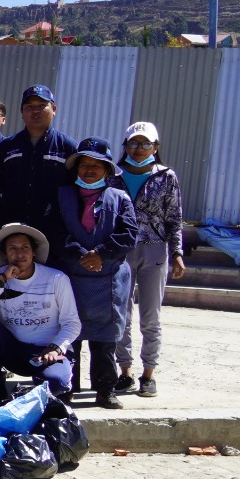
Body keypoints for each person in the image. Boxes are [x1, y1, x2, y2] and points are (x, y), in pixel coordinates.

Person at [52, 138, 138, 410]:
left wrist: (100, 253)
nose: (89, 170)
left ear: (107, 170)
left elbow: (129, 234)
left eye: (96, 165)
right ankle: (67, 389)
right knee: (70, 335)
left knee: (105, 340)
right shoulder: (62, 196)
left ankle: (105, 390)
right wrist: (80, 254)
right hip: (72, 278)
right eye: (84, 164)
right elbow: (55, 232)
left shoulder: (120, 199)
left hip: (109, 279)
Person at [0, 223, 81, 403]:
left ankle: (34, 391)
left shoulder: (57, 278)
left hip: (49, 350)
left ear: (34, 252)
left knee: (57, 383)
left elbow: (72, 323)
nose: (19, 254)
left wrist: (55, 348)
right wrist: (1, 281)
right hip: (14, 350)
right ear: (5, 254)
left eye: (25, 248)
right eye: (12, 249)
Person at [114, 121, 185, 399]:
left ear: (156, 147)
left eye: (146, 143)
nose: (139, 148)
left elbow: (174, 218)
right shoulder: (115, 174)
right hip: (120, 250)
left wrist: (177, 252)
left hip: (154, 250)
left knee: (150, 316)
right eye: (134, 143)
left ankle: (148, 374)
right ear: (126, 146)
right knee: (121, 313)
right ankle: (126, 372)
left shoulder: (166, 176)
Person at [0, 84, 77, 236]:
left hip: (53, 232)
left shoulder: (68, 147)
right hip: (13, 229)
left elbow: (75, 189)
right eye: (29, 107)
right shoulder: (7, 146)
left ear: (54, 110)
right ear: (22, 112)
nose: (35, 111)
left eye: (42, 106)